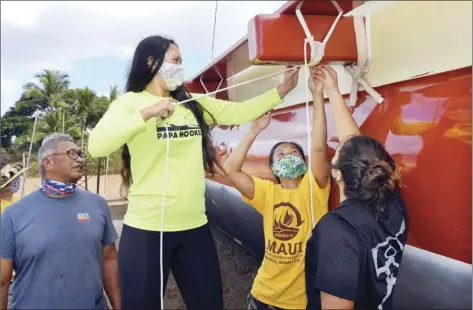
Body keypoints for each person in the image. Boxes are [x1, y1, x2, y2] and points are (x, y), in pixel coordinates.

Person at [87, 35, 300, 310]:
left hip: (194, 226)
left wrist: (282, 90)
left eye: (181, 62)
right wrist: (148, 113)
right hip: (147, 230)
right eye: (174, 61)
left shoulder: (192, 103)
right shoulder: (129, 103)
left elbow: (239, 112)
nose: (179, 67)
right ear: (152, 63)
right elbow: (97, 145)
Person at [223, 68, 330, 309]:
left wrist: (317, 96)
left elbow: (319, 148)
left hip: (300, 302)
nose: (287, 155)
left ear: (304, 164)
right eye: (280, 154)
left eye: (294, 152)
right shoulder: (267, 193)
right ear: (273, 167)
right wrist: (254, 130)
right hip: (263, 296)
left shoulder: (314, 190)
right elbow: (231, 169)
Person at [305, 65, 408, 309]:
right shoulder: (392, 201)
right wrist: (331, 89)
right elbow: (354, 145)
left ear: (337, 174)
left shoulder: (337, 229)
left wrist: (330, 91)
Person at [0, 133, 120, 310]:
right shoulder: (13, 215)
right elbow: (3, 280)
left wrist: (118, 306)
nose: (80, 159)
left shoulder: (98, 205)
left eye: (80, 154)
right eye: (72, 153)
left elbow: (109, 259)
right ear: (48, 162)